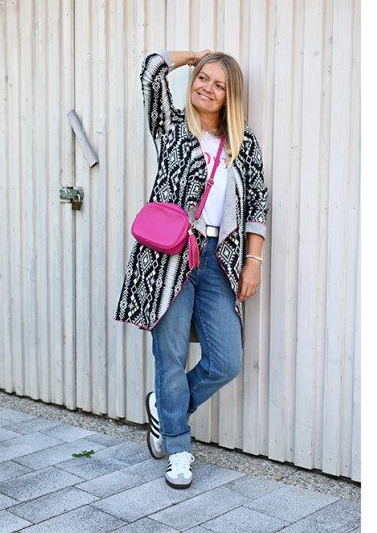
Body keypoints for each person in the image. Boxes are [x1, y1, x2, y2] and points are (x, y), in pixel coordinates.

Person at [114, 49, 269, 489]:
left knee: (226, 361)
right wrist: (193, 56)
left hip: (220, 259)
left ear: (230, 95)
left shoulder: (243, 140)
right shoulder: (171, 126)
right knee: (171, 354)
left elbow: (258, 204)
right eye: (203, 78)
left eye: (219, 84)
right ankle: (178, 450)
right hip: (169, 257)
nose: (207, 88)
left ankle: (166, 410)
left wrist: (253, 262)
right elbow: (150, 71)